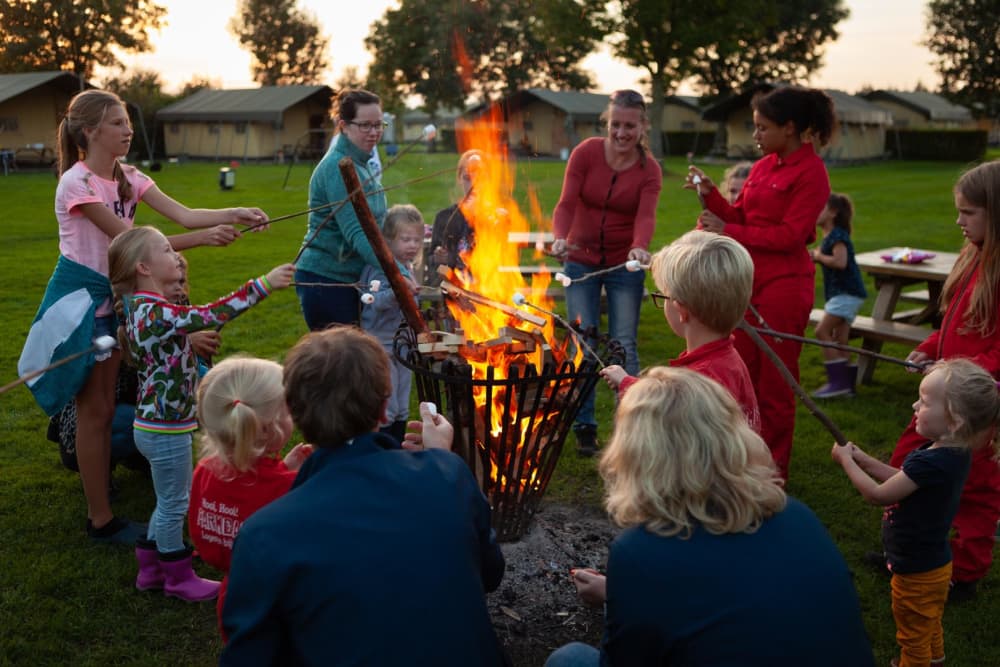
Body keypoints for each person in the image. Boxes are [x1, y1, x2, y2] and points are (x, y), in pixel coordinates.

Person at [16, 88, 268, 545]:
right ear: (90, 130)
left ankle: (109, 492)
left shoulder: (130, 176)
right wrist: (205, 238)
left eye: (129, 123)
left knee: (104, 405)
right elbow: (128, 244)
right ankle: (100, 519)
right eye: (117, 123)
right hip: (82, 302)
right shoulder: (76, 183)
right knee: (94, 410)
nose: (128, 131)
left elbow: (184, 215)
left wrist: (235, 212)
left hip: (117, 296)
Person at [547, 367, 874, 666]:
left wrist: (623, 595)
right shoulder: (798, 516)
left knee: (569, 659)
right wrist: (620, 593)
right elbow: (733, 594)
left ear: (637, 452)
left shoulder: (641, 552)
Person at [220, 327, 507, 666]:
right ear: (385, 409)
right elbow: (491, 573)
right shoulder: (449, 475)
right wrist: (440, 459)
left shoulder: (263, 535)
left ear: (294, 415)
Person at [109, 225, 295, 602]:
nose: (175, 255)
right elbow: (210, 315)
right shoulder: (155, 310)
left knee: (167, 499)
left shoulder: (142, 307)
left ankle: (151, 570)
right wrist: (264, 284)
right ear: (144, 267)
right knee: (174, 502)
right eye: (165, 249)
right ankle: (177, 577)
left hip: (154, 423)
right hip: (165, 427)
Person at [687, 85, 836, 480]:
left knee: (774, 383)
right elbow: (740, 216)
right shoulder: (763, 166)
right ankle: (740, 460)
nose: (755, 135)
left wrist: (729, 231)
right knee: (740, 374)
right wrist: (710, 195)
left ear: (790, 128)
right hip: (747, 282)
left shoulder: (812, 173)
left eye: (762, 127)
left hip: (784, 287)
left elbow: (790, 236)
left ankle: (771, 473)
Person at [832, 358, 999, 667]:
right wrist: (863, 459)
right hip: (935, 564)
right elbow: (904, 478)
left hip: (915, 570)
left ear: (954, 421)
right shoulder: (954, 452)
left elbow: (877, 495)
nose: (914, 406)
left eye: (924, 401)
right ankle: (935, 660)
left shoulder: (933, 461)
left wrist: (846, 462)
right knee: (929, 622)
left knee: (912, 635)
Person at [888, 160, 1000, 603]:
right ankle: (910, 549)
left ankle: (964, 571)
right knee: (907, 460)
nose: (959, 221)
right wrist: (931, 347)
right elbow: (957, 323)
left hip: (973, 406)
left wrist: (956, 372)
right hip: (943, 390)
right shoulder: (974, 256)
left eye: (968, 212)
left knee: (974, 489)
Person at [551, 89, 663, 456]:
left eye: (630, 126)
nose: (621, 133)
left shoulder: (649, 170)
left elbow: (645, 216)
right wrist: (560, 237)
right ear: (607, 123)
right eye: (615, 124)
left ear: (642, 126)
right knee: (583, 341)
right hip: (579, 259)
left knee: (623, 344)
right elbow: (566, 203)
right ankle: (585, 425)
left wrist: (639, 245)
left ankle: (629, 428)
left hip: (622, 264)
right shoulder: (585, 153)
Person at [188, 357, 314, 637]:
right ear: (270, 428)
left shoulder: (204, 471)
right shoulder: (292, 490)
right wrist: (289, 478)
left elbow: (248, 499)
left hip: (233, 599)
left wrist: (283, 469)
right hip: (282, 606)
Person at [600, 230, 760, 433]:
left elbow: (667, 412)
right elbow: (673, 398)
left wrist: (627, 384)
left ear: (681, 311)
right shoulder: (726, 360)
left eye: (663, 296)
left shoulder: (705, 376)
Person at [295, 88, 412, 330]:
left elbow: (375, 220)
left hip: (352, 280)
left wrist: (407, 230)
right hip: (326, 279)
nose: (374, 132)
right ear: (344, 126)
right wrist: (398, 274)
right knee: (341, 353)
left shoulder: (362, 162)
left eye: (378, 125)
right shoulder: (338, 167)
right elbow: (358, 234)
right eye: (365, 125)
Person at [360, 204, 424, 443]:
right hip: (382, 345)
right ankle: (385, 446)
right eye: (406, 239)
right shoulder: (380, 270)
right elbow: (374, 302)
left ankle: (397, 445)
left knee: (403, 403)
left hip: (402, 345)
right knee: (389, 400)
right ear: (388, 240)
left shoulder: (406, 267)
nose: (413, 245)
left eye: (417, 240)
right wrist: (399, 291)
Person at [810, 192, 867, 398]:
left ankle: (838, 382)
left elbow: (840, 262)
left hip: (845, 294)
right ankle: (848, 387)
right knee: (840, 338)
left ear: (832, 212)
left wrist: (819, 256)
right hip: (847, 293)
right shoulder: (831, 235)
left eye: (819, 207)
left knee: (821, 331)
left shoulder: (837, 236)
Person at [429, 149, 484, 280]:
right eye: (467, 178)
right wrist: (439, 258)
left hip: (488, 284)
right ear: (459, 179)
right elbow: (432, 261)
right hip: (454, 285)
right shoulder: (445, 217)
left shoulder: (496, 217)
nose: (473, 185)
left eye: (480, 178)